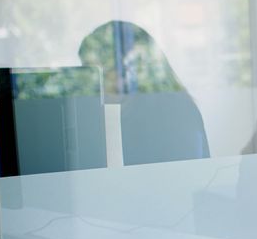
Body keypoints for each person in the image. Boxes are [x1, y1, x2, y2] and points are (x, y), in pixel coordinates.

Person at [78, 20, 210, 165]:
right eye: (88, 72)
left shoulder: (175, 116)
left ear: (128, 73)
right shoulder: (98, 119)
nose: (90, 82)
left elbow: (184, 180)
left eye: (98, 72)